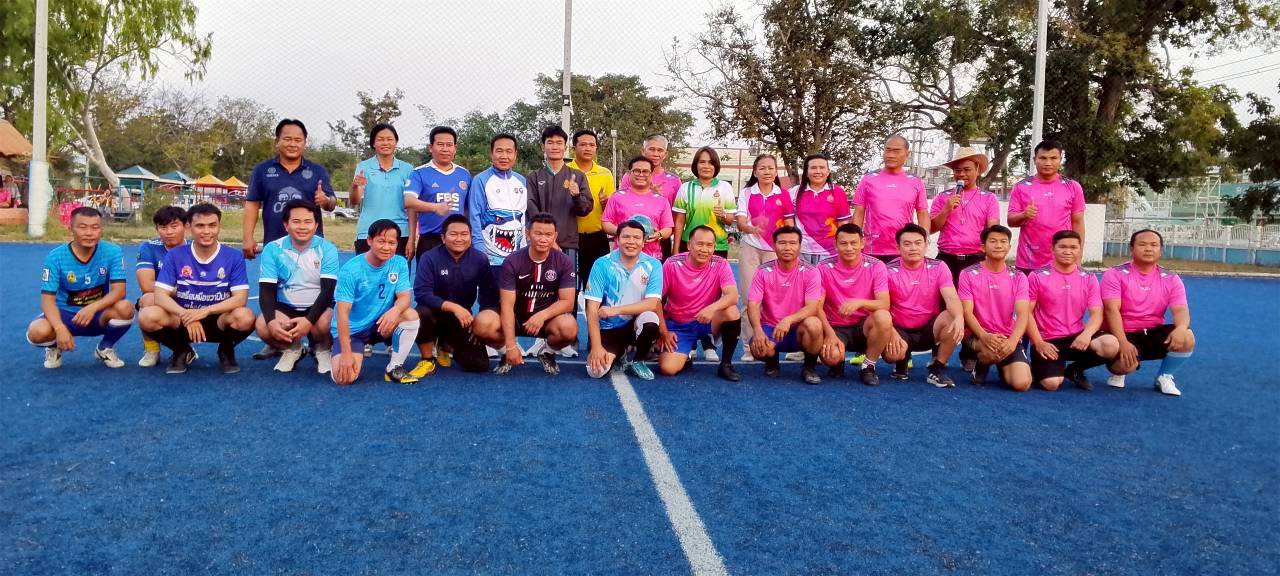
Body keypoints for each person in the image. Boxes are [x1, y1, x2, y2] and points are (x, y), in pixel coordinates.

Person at [139, 203, 256, 374]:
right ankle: (181, 349)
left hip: (218, 319)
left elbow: (240, 298)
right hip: (183, 319)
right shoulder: (175, 255)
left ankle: (226, 350)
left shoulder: (233, 256)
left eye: (212, 225)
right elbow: (160, 296)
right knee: (147, 316)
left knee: (245, 317)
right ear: (189, 227)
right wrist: (186, 315)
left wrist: (205, 311)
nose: (207, 231)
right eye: (200, 225)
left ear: (219, 226)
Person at [27, 207, 134, 369]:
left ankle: (105, 348)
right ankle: (54, 347)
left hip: (97, 315)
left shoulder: (113, 251)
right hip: (65, 315)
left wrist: (92, 308)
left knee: (126, 308)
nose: (89, 233)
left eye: (95, 227)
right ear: (70, 228)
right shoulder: (55, 257)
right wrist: (59, 327)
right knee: (37, 332)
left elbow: (119, 291)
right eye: (82, 227)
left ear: (101, 229)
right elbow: (47, 300)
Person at [1101, 229, 1195, 396]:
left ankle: (1164, 376)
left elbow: (1181, 310)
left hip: (1151, 332)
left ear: (1160, 250)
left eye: (1154, 245)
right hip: (1124, 332)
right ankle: (1119, 373)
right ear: (1131, 248)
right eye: (1142, 244)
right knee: (1125, 366)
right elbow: (1111, 310)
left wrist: (1181, 328)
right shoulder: (1115, 274)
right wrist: (1123, 342)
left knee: (1187, 336)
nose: (1148, 249)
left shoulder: (1171, 278)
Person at [1026, 230, 1120, 391]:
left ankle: (1075, 369)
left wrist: (1086, 334)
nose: (1068, 251)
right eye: (1062, 247)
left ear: (1079, 250)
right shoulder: (1037, 276)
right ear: (1052, 249)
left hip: (1077, 337)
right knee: (1051, 384)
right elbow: (1026, 313)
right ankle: (1040, 368)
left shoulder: (1088, 278)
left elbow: (1097, 314)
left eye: (1073, 247)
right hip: (1048, 339)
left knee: (1110, 345)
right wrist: (1038, 342)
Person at [253, 200, 339, 374]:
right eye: (296, 221)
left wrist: (309, 321)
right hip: (286, 307)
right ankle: (294, 349)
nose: (302, 227)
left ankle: (322, 349)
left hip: (318, 305)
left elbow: (328, 291)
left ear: (316, 225)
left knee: (326, 324)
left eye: (308, 222)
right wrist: (271, 321)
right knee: (263, 325)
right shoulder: (273, 249)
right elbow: (266, 290)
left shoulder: (327, 249)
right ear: (286, 225)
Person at [330, 219, 420, 385]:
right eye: (381, 241)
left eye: (391, 243)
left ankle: (394, 368)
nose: (386, 247)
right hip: (354, 330)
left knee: (410, 315)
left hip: (380, 324)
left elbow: (405, 297)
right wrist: (346, 354)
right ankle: (340, 348)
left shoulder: (399, 262)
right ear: (370, 240)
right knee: (344, 379)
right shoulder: (351, 270)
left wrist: (395, 311)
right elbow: (342, 313)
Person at [411, 214, 501, 376]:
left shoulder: (479, 259)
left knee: (478, 365)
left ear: (470, 237)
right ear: (443, 238)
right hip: (433, 313)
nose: (459, 239)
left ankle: (444, 344)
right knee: (420, 313)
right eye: (453, 234)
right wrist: (453, 307)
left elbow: (489, 294)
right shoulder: (429, 258)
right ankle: (427, 359)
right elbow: (421, 293)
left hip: (461, 319)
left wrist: (480, 321)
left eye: (464, 234)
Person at [495, 213, 579, 375]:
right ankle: (506, 352)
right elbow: (506, 306)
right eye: (538, 233)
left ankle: (547, 352)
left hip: (546, 321)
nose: (543, 239)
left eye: (548, 235)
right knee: (484, 323)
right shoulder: (512, 261)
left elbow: (568, 302)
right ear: (527, 234)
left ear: (555, 236)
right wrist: (510, 346)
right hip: (516, 318)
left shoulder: (564, 261)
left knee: (569, 327)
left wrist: (542, 316)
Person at [656, 225, 743, 381]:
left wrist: (712, 308)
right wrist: (663, 332)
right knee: (667, 369)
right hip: (679, 325)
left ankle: (726, 364)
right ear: (689, 245)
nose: (704, 249)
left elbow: (733, 296)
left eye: (709, 245)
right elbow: (656, 300)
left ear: (714, 247)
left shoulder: (721, 264)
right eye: (700, 244)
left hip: (707, 321)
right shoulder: (672, 264)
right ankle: (685, 356)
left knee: (732, 311)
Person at [882, 224, 964, 387]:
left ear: (926, 245)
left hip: (929, 329)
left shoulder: (939, 267)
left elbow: (952, 298)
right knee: (892, 355)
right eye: (907, 244)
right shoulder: (887, 270)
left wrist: (959, 317)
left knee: (953, 316)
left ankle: (937, 368)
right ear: (898, 247)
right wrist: (890, 332)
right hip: (899, 330)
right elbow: (881, 307)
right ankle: (901, 362)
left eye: (918, 243)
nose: (913, 248)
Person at [243, 119, 336, 259]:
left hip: (310, 247)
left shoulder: (318, 171)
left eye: (298, 140)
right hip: (274, 245)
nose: (293, 144)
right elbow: (252, 204)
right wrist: (247, 237)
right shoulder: (262, 170)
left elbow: (332, 203)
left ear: (305, 143)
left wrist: (326, 200)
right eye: (287, 139)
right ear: (277, 141)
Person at [584, 219, 663, 380]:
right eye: (626, 237)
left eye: (637, 237)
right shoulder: (602, 264)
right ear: (617, 240)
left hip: (635, 324)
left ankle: (639, 360)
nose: (631, 241)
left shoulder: (653, 265)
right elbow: (591, 308)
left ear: (643, 242)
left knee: (651, 319)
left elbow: (652, 303)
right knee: (596, 372)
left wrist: (615, 310)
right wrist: (596, 346)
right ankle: (620, 353)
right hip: (609, 328)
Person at [956, 225, 1033, 391]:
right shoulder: (968, 274)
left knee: (1022, 384)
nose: (998, 245)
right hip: (977, 335)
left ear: (1009, 247)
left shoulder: (1019, 277)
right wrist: (984, 335)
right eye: (993, 241)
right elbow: (967, 312)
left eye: (1003, 242)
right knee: (991, 352)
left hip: (1007, 337)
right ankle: (981, 366)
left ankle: (1003, 367)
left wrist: (1012, 341)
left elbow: (1023, 314)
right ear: (983, 247)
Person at [815, 224, 893, 386]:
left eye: (853, 243)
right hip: (836, 327)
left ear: (862, 243)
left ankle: (868, 366)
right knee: (831, 358)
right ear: (835, 244)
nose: (849, 248)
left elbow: (884, 303)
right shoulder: (823, 267)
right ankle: (838, 360)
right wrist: (829, 334)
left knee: (883, 316)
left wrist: (860, 302)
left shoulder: (876, 266)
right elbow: (817, 306)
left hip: (863, 327)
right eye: (843, 243)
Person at [735, 154, 795, 361]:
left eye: (771, 168)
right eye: (762, 168)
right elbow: (740, 222)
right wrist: (752, 229)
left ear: (776, 171)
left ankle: (772, 343)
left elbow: (789, 224)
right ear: (755, 172)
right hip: (750, 247)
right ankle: (748, 346)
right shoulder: (746, 193)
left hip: (774, 251)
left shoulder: (783, 195)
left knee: (772, 299)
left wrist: (790, 245)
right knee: (749, 298)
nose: (767, 172)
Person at [747, 226, 825, 384]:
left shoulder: (811, 272)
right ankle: (772, 363)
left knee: (814, 324)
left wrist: (789, 320)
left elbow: (812, 307)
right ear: (774, 246)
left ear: (800, 246)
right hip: (771, 327)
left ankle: (809, 368)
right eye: (782, 243)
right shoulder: (763, 271)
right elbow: (753, 304)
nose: (787, 247)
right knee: (758, 349)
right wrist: (757, 330)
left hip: (798, 329)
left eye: (792, 243)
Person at [1008, 140, 1087, 274]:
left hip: (1062, 260)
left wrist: (1078, 257)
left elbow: (1078, 223)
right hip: (1028, 261)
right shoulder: (1021, 187)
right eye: (1043, 158)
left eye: (1053, 158)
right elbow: (1011, 221)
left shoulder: (1072, 187)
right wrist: (1024, 215)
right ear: (1035, 159)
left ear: (1060, 159)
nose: (1048, 163)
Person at [930, 147, 1001, 285]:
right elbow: (931, 228)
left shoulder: (989, 198)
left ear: (977, 170)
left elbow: (993, 231)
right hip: (946, 258)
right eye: (957, 170)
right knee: (945, 297)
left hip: (976, 259)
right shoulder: (942, 197)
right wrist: (946, 209)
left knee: (974, 298)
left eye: (967, 170)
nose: (962, 174)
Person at [853, 135, 930, 262]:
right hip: (872, 249)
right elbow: (859, 212)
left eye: (896, 151)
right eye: (887, 150)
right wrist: (855, 240)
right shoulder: (868, 179)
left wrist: (924, 240)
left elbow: (922, 213)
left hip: (904, 248)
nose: (891, 155)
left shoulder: (915, 181)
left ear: (907, 154)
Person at [405, 126, 471, 261]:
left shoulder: (464, 174)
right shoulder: (419, 173)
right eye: (440, 144)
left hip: (458, 240)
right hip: (430, 240)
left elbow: (468, 208)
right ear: (430, 147)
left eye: (449, 145)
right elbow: (408, 201)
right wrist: (435, 207)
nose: (445, 149)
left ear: (455, 148)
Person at [527, 125, 592, 262]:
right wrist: (548, 239)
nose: (554, 147)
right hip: (540, 242)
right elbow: (531, 207)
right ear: (543, 147)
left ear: (565, 147)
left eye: (559, 143)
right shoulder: (534, 177)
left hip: (568, 243)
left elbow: (585, 209)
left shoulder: (577, 176)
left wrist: (577, 196)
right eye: (550, 142)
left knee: (567, 276)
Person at [135, 205, 188, 367]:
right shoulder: (149, 247)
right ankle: (152, 350)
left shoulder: (196, 247)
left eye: (174, 226)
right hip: (165, 298)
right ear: (157, 229)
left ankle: (186, 347)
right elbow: (146, 285)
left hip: (192, 299)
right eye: (163, 227)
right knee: (147, 299)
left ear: (186, 226)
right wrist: (178, 291)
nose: (169, 232)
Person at [351, 123, 413, 256]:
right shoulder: (363, 167)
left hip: (400, 232)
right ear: (373, 143)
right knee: (366, 270)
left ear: (396, 142)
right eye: (380, 139)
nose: (385, 143)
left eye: (389, 139)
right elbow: (355, 200)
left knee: (397, 270)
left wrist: (412, 238)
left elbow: (411, 206)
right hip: (369, 231)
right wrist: (355, 186)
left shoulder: (407, 169)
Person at [468, 133, 529, 268]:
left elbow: (526, 216)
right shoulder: (480, 180)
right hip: (490, 258)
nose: (504, 156)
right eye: (499, 151)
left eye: (509, 151)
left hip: (520, 257)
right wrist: (479, 249)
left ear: (515, 154)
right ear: (491, 153)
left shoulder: (521, 180)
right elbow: (475, 216)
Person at [619, 134, 683, 258]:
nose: (655, 154)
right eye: (651, 149)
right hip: (632, 237)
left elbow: (677, 217)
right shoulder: (630, 176)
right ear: (643, 151)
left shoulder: (674, 181)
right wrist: (648, 194)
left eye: (660, 150)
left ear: (665, 154)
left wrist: (675, 245)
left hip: (661, 238)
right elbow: (622, 205)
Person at [569, 129, 617, 291]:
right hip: (570, 238)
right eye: (583, 144)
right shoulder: (565, 171)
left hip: (597, 238)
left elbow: (612, 211)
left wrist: (605, 203)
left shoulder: (605, 173)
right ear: (574, 148)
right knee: (570, 287)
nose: (588, 148)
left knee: (598, 287)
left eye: (592, 145)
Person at [601, 156, 674, 259]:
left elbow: (668, 228)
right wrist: (622, 232)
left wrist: (659, 234)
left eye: (645, 171)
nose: (641, 174)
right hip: (621, 257)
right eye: (636, 171)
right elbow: (606, 223)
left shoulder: (661, 200)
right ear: (629, 173)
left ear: (651, 174)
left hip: (651, 258)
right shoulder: (617, 197)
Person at [673, 146, 737, 257]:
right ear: (696, 165)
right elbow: (679, 222)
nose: (706, 166)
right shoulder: (686, 187)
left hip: (717, 246)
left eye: (711, 163)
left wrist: (723, 215)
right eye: (702, 162)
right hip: (689, 245)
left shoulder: (725, 187)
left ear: (716, 166)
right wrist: (675, 249)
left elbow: (730, 220)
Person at [789, 153, 851, 264]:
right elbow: (787, 222)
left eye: (822, 167)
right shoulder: (794, 192)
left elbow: (844, 224)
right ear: (806, 172)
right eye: (813, 168)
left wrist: (844, 248)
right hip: (801, 251)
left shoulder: (837, 192)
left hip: (830, 252)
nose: (818, 171)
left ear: (828, 172)